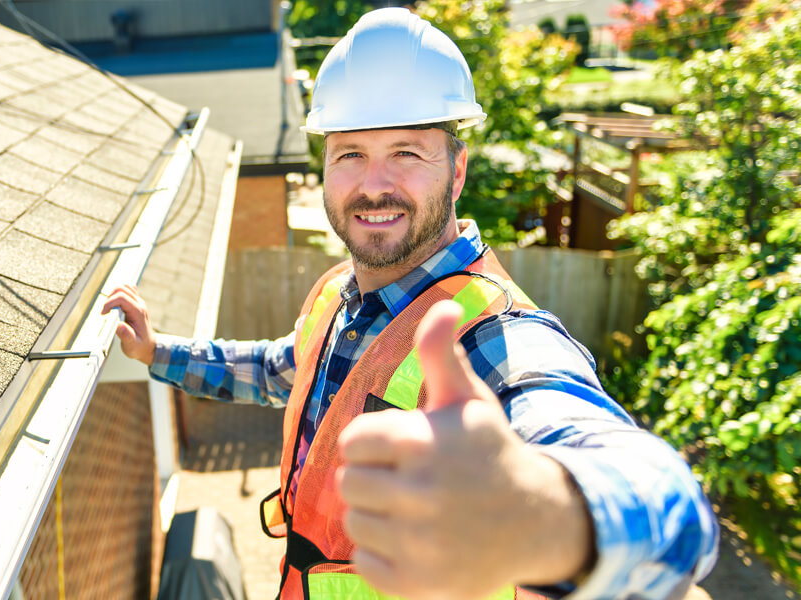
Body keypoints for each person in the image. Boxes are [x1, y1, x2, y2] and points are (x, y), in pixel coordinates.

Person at [102, 8, 717, 599]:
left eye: (406, 153)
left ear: (456, 171)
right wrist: (157, 352)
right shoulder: (341, 297)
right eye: (351, 154)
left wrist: (536, 511)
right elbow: (277, 370)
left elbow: (665, 503)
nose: (373, 184)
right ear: (324, 169)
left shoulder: (490, 333)